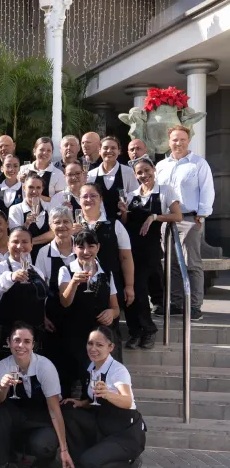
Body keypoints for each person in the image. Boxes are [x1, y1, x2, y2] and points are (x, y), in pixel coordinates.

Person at [61, 326, 146, 468]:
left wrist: (108, 394)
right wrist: (81, 403)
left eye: (99, 345)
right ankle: (79, 461)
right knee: (68, 410)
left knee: (90, 463)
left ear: (111, 347)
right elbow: (95, 400)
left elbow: (127, 401)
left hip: (124, 433)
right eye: (90, 343)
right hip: (103, 425)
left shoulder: (118, 371)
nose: (93, 349)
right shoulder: (91, 367)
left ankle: (129, 465)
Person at [0, 324, 74, 468]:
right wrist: (2, 386)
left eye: (27, 341)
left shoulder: (45, 367)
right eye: (17, 340)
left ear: (33, 345)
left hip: (41, 420)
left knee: (43, 445)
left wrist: (64, 449)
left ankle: (44, 459)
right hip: (17, 418)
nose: (21, 346)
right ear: (8, 342)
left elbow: (55, 410)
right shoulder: (4, 365)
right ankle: (0, 463)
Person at [122, 155, 182, 348]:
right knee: (129, 291)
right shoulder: (131, 195)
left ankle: (148, 330)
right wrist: (123, 212)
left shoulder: (165, 190)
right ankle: (136, 331)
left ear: (154, 170)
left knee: (138, 288)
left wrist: (155, 217)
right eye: (139, 172)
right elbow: (125, 223)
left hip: (149, 250)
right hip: (130, 249)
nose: (144, 175)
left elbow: (177, 216)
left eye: (147, 171)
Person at [156, 124, 214, 321]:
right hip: (166, 220)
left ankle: (195, 306)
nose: (178, 142)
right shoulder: (162, 165)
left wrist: (202, 214)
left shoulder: (198, 164)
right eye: (174, 139)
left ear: (188, 141)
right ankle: (176, 302)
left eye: (182, 139)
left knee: (192, 264)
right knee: (170, 263)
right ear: (169, 141)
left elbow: (207, 190)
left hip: (189, 218)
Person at [57, 230, 121, 397]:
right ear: (74, 248)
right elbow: (65, 302)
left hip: (99, 338)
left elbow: (116, 308)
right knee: (70, 381)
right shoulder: (65, 270)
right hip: (73, 336)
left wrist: (110, 313)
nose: (86, 252)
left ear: (98, 247)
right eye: (81, 247)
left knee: (97, 383)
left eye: (91, 246)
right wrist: (74, 282)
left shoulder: (106, 273)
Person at [77, 182, 135, 344]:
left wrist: (129, 285)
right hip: (79, 286)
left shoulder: (114, 224)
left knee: (108, 332)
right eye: (85, 196)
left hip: (109, 287)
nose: (89, 199)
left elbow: (126, 257)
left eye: (93, 195)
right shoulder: (71, 226)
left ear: (101, 199)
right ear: (78, 199)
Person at [0, 228, 49, 357]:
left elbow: (42, 298)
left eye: (25, 242)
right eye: (15, 241)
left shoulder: (37, 271)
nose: (20, 246)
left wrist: (45, 316)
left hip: (33, 334)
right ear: (8, 244)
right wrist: (11, 277)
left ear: (31, 245)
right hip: (8, 335)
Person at [35, 206, 77, 361]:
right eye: (57, 222)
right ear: (50, 226)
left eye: (66, 221)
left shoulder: (82, 249)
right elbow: (38, 289)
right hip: (53, 318)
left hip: (78, 314)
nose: (62, 226)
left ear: (73, 225)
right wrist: (42, 316)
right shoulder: (43, 252)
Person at [88, 136, 139, 223]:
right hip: (97, 223)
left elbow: (136, 195)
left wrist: (126, 203)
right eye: (105, 148)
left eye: (113, 148)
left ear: (119, 151)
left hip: (122, 223)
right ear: (99, 151)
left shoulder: (128, 172)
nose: (109, 151)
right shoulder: (91, 175)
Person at [7, 173, 53, 259]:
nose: (34, 191)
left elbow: (53, 233)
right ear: (24, 188)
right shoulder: (15, 209)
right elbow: (16, 238)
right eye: (31, 187)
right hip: (25, 257)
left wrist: (30, 242)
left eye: (38, 188)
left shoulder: (49, 207)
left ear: (42, 189)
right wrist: (26, 224)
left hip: (47, 256)